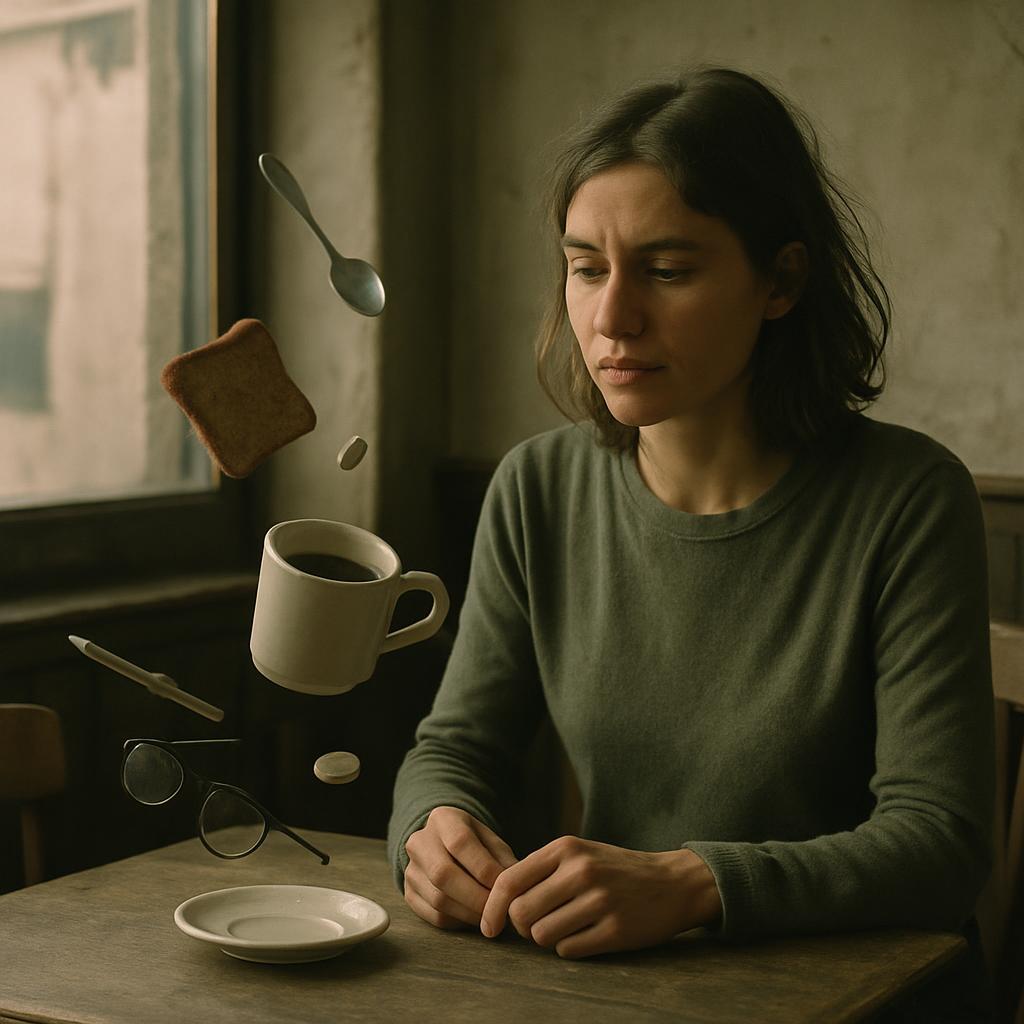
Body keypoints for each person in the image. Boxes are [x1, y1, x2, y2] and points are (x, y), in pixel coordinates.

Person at [387, 66, 995, 1018]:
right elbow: (454, 745)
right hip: (639, 999)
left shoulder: (908, 498)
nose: (612, 318)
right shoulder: (537, 489)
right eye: (587, 268)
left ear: (781, 280)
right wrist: (431, 830)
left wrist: (693, 886)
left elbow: (940, 843)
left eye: (667, 271)